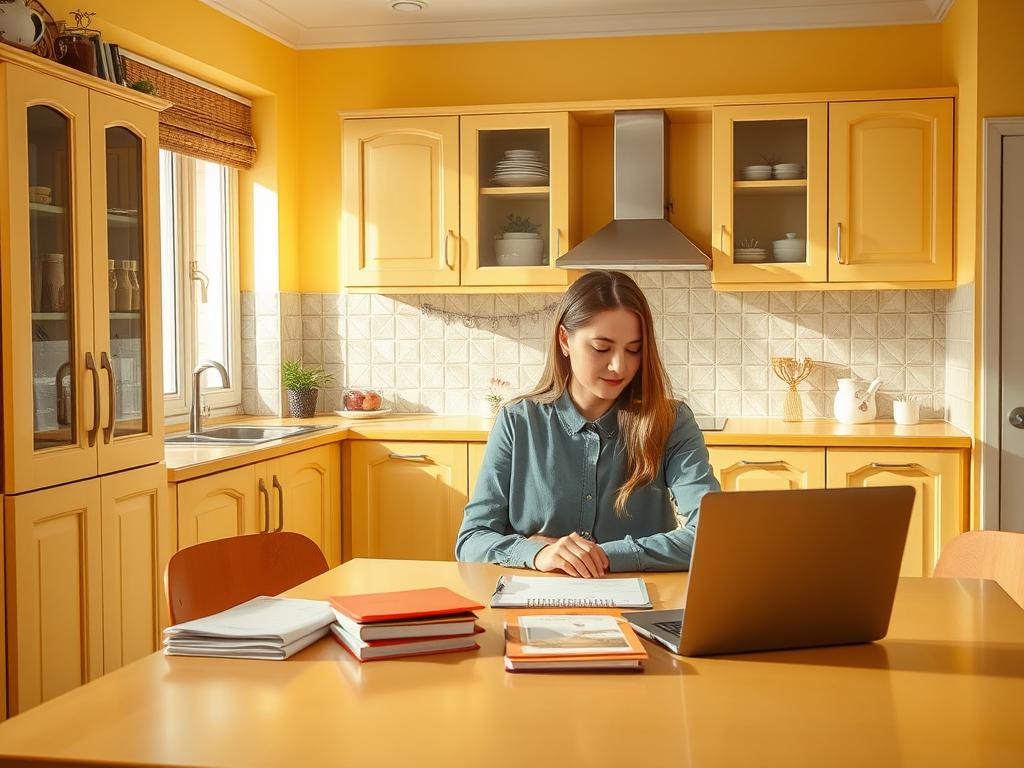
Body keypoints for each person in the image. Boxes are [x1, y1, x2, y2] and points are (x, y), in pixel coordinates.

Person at [456, 270, 720, 577]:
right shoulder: (518, 421)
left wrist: (602, 556)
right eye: (601, 348)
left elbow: (712, 535)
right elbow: (471, 540)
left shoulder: (671, 422)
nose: (619, 366)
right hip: (533, 603)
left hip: (645, 605)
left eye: (633, 350)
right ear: (565, 339)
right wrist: (539, 554)